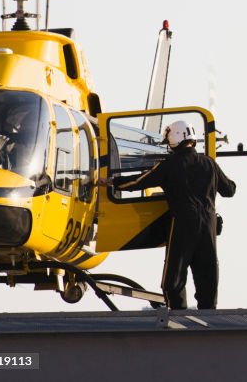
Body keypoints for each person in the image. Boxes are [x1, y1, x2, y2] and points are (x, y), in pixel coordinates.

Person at [98, 120, 237, 309]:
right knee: (207, 275)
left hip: (183, 225)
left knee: (174, 279)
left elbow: (140, 181)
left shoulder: (169, 165)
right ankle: (208, 318)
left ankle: (179, 315)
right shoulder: (209, 164)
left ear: (174, 138)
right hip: (209, 227)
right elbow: (229, 190)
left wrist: (113, 182)